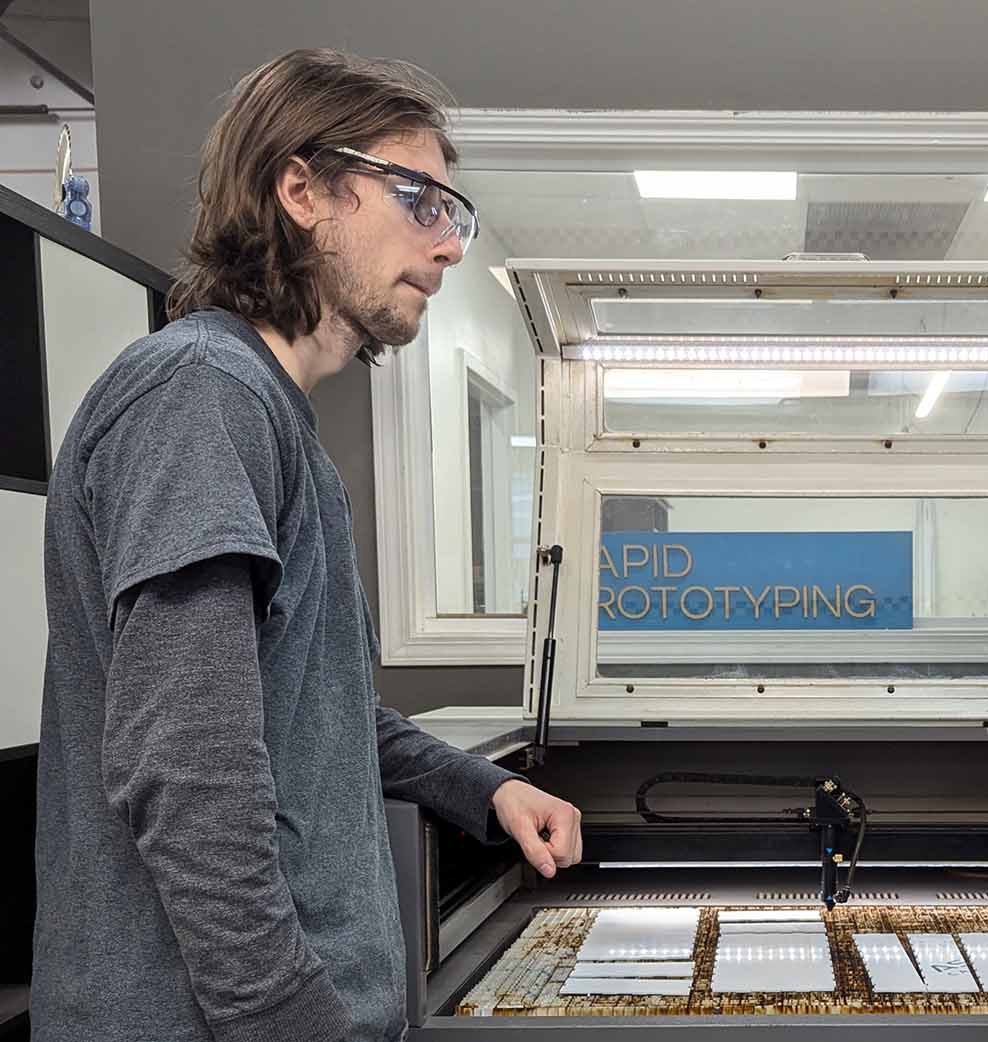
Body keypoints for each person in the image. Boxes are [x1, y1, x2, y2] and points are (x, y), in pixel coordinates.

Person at [33, 49, 583, 1042]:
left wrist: (485, 787)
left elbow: (316, 709)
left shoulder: (276, 427)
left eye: (452, 214)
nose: (449, 246)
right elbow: (190, 779)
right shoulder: (196, 396)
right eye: (419, 198)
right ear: (301, 189)